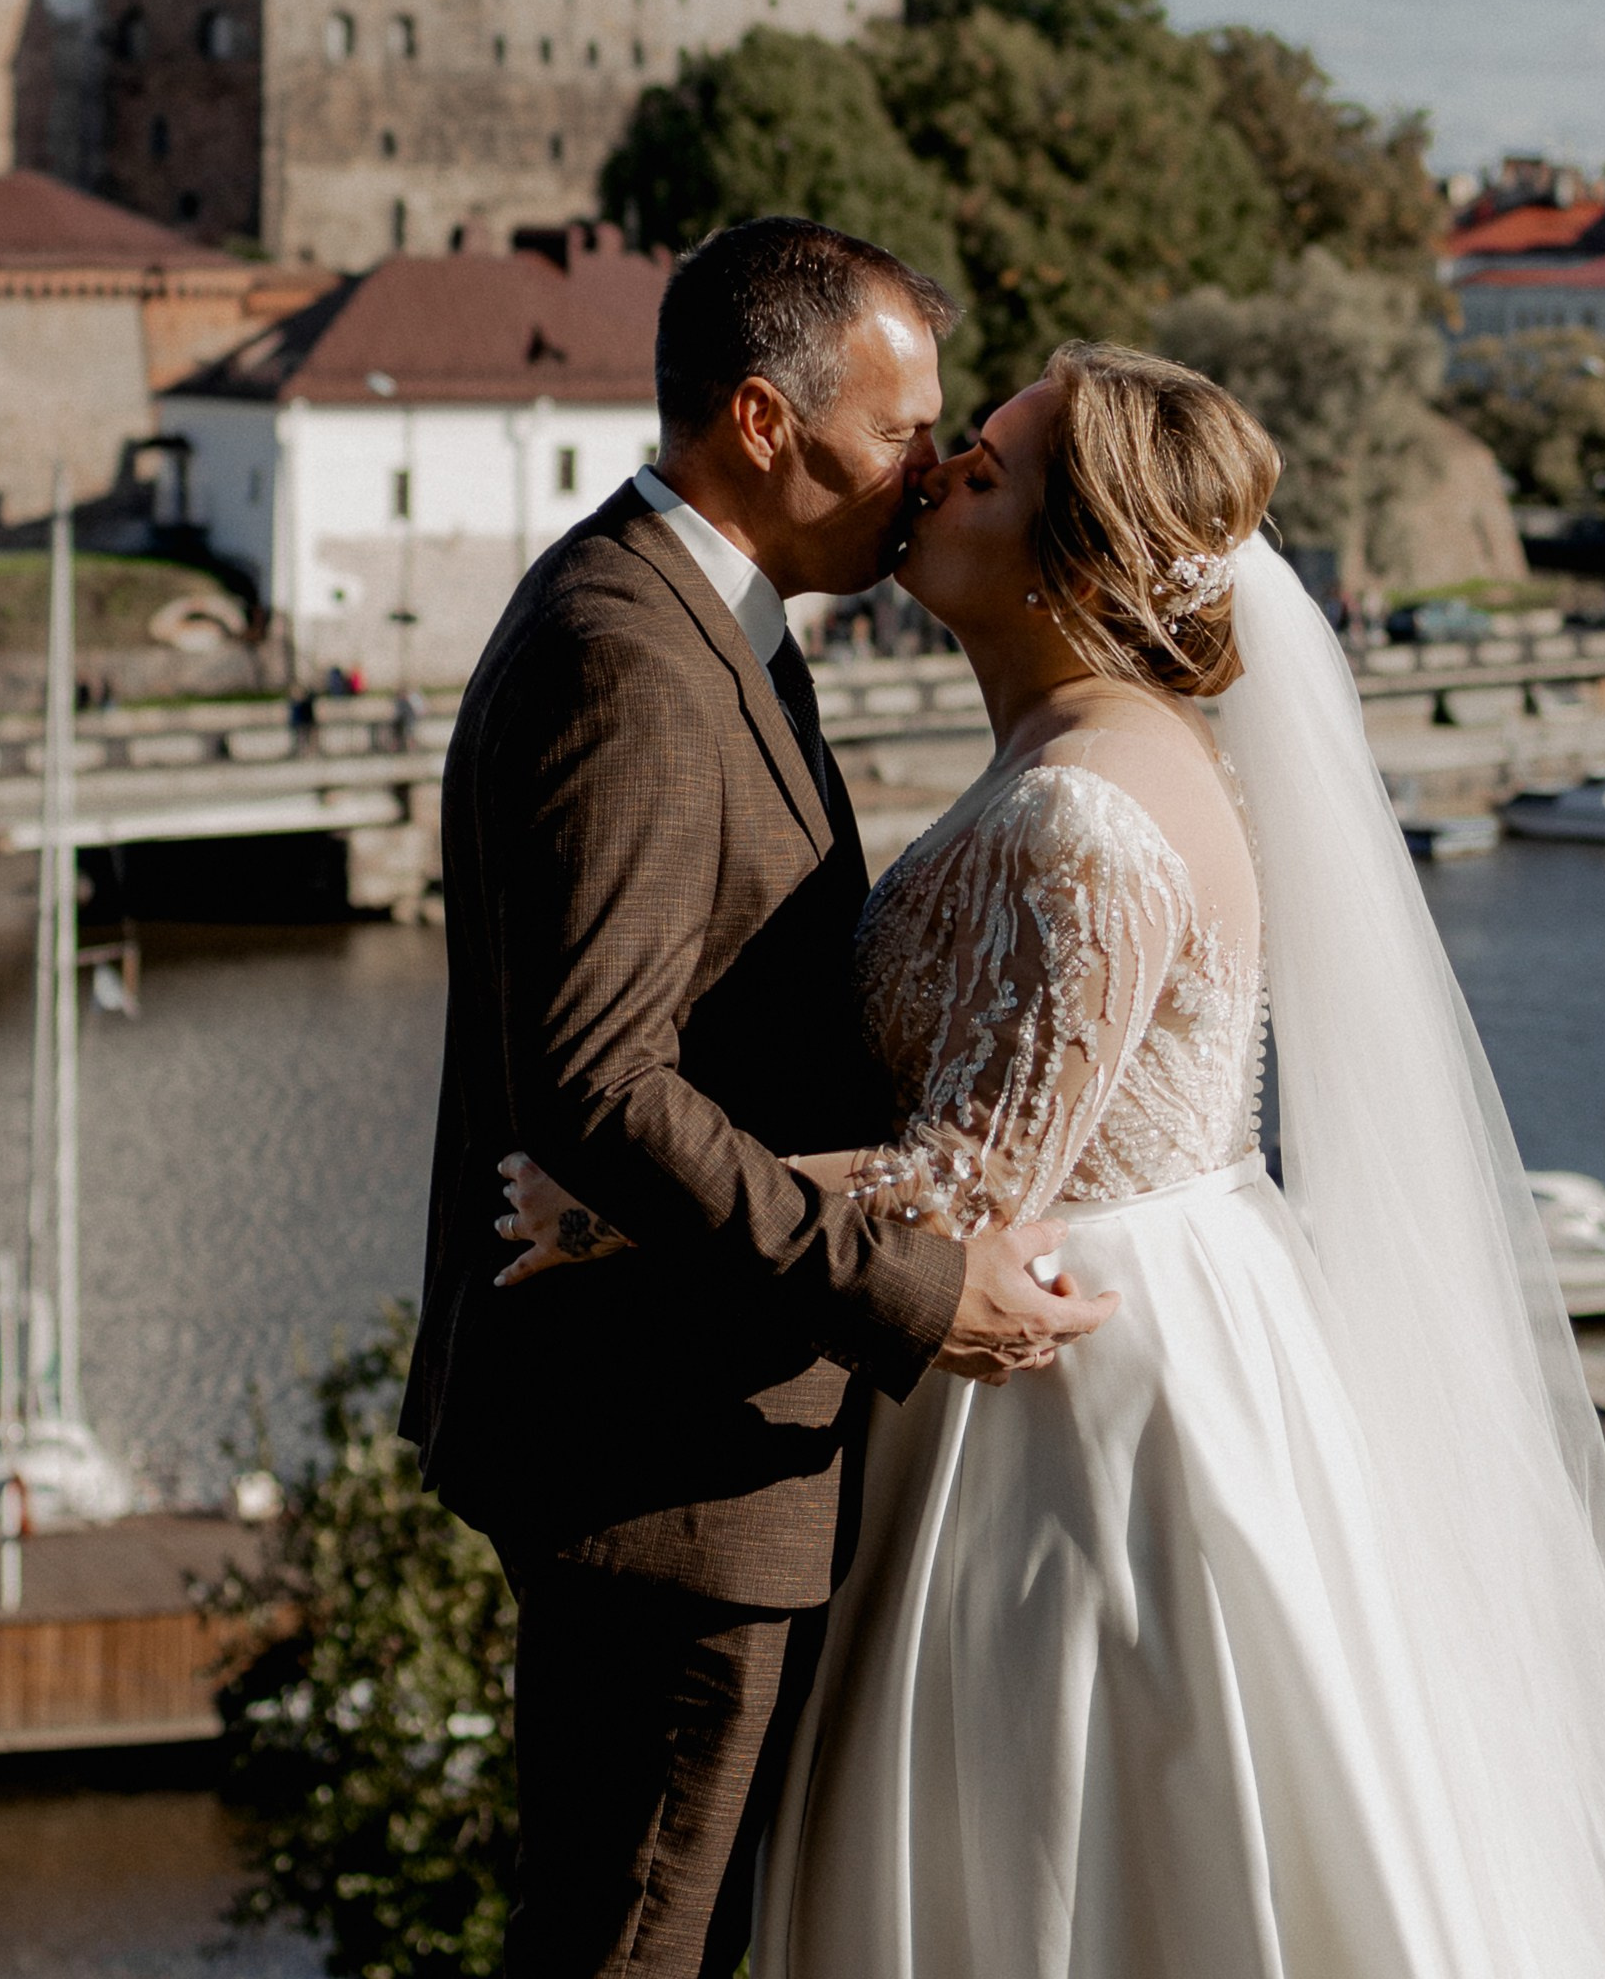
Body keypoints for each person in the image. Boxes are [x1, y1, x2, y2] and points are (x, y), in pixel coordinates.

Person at [503, 341, 1605, 1978]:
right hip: (1142, 1322)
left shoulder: (1081, 811)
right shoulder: (1098, 754)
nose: (939, 472)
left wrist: (612, 1217)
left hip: (1085, 1409)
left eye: (990, 470)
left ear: (1071, 557)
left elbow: (971, 1192)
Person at [403, 219, 1108, 1979]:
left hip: (695, 1439)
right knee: (637, 1947)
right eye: (900, 433)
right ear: (762, 421)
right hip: (664, 1464)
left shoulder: (707, 623)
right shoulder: (630, 653)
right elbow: (594, 1082)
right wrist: (910, 1288)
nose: (928, 470)